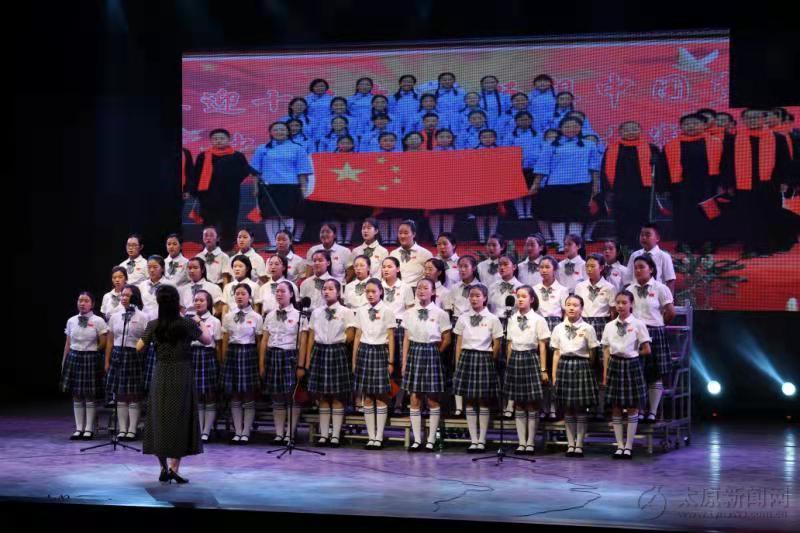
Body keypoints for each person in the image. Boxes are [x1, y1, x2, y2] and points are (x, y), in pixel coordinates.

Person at [137, 285, 210, 483]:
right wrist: (199, 321)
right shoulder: (186, 323)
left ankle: (163, 468)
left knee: (159, 418)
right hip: (181, 373)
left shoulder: (154, 324)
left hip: (161, 372)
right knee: (179, 418)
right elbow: (207, 340)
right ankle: (173, 469)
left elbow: (139, 347)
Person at [401, 278, 453, 451]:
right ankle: (417, 439)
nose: (421, 291)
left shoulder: (440, 313)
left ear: (433, 292)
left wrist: (435, 353)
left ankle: (431, 440)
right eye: (419, 288)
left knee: (432, 399)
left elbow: (447, 338)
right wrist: (404, 361)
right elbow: (406, 338)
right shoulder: (409, 313)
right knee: (414, 398)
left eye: (425, 288)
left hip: (431, 352)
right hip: (415, 352)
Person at [305, 279, 355, 447]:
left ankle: (335, 435)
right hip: (320, 351)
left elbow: (350, 334)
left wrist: (338, 342)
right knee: (323, 395)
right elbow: (311, 335)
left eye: (331, 289)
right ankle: (324, 434)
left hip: (337, 351)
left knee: (337, 395)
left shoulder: (346, 311)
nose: (326, 291)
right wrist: (308, 359)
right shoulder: (316, 312)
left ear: (338, 292)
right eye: (324, 289)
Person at [453, 284, 503, 452]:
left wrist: (490, 359)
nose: (474, 299)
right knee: (469, 400)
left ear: (485, 298)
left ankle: (482, 440)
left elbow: (497, 343)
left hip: (484, 357)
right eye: (471, 296)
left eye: (477, 296)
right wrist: (458, 362)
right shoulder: (463, 317)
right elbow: (459, 343)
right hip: (467, 357)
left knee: (483, 400)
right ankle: (473, 439)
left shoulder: (492, 319)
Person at [189, 129, 257, 250]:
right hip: (208, 195)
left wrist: (231, 180)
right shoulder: (203, 156)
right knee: (209, 221)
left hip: (230, 194)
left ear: (228, 140)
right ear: (211, 141)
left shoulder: (237, 156)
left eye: (221, 138)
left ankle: (227, 246)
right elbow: (196, 175)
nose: (218, 141)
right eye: (215, 139)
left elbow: (244, 172)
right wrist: (195, 192)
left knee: (229, 221)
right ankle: (209, 246)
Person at [627, 254, 675, 424]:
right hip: (634, 334)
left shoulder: (661, 288)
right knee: (638, 373)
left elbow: (670, 312)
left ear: (651, 269)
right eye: (636, 267)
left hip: (655, 332)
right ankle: (639, 410)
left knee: (655, 373)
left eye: (642, 267)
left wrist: (658, 326)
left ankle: (652, 412)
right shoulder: (629, 289)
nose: (638, 270)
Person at [602, 290, 650, 459]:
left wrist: (632, 353)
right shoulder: (609, 326)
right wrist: (605, 374)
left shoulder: (638, 324)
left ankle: (629, 446)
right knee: (615, 407)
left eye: (624, 303)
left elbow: (647, 349)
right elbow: (606, 351)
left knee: (632, 407)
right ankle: (619, 446)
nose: (620, 306)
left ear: (631, 304)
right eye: (618, 302)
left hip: (631, 365)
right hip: (614, 365)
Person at [551, 295, 600, 458]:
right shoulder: (558, 328)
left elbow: (593, 352)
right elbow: (556, 353)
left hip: (582, 366)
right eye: (568, 305)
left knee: (580, 408)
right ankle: (570, 444)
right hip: (564, 365)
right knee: (567, 408)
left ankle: (579, 444)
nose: (571, 308)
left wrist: (587, 368)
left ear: (581, 308)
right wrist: (554, 375)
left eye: (575, 305)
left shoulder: (588, 328)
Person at [250, 122, 313, 250]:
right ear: (271, 132)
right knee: (270, 216)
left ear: (288, 132)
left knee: (288, 215)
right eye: (276, 130)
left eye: (282, 129)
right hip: (268, 187)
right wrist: (255, 187)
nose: (279, 132)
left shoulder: (297, 148)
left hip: (290, 186)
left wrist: (303, 188)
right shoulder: (262, 148)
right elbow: (255, 171)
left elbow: (302, 170)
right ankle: (273, 244)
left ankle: (285, 244)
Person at [503, 285, 550, 455]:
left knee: (531, 403)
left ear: (532, 299)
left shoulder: (538, 319)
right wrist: (509, 364)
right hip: (515, 359)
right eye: (518, 296)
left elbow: (542, 345)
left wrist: (543, 369)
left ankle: (530, 442)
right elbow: (509, 344)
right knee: (519, 404)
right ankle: (521, 442)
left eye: (524, 296)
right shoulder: (511, 318)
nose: (520, 299)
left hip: (531, 358)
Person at [259, 281, 306, 444]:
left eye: (283, 291)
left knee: (291, 395)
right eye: (277, 291)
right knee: (276, 395)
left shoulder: (299, 315)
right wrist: (262, 364)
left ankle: (290, 434)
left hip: (289, 356)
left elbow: (302, 343)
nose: (279, 294)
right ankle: (279, 433)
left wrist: (301, 365)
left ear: (291, 294)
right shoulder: (270, 315)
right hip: (273, 355)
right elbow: (264, 340)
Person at [352, 278, 396, 449]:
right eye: (367, 292)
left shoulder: (387, 311)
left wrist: (391, 361)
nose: (370, 295)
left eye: (373, 291)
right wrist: (354, 360)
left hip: (380, 351)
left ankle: (379, 436)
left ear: (381, 292)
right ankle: (371, 436)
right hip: (365, 351)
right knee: (367, 397)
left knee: (381, 395)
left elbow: (391, 336)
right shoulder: (361, 310)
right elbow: (357, 335)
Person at [61, 292, 109, 440]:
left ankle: (89, 429)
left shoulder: (98, 321)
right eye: (80, 300)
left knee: (89, 395)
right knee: (76, 395)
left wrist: (93, 351)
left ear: (92, 304)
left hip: (90, 357)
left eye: (86, 301)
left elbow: (103, 342)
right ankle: (79, 428)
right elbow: (68, 343)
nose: (82, 303)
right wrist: (64, 361)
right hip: (74, 357)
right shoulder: (71, 321)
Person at [220, 284, 263, 444]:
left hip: (248, 353)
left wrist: (259, 362)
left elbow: (259, 341)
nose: (239, 296)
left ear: (249, 296)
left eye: (243, 293)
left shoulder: (256, 317)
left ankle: (246, 432)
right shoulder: (228, 316)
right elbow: (225, 339)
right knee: (235, 394)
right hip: (232, 353)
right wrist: (223, 359)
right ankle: (237, 431)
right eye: (237, 293)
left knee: (248, 393)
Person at [104, 285, 148, 441]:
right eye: (122, 295)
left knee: (134, 394)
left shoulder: (143, 316)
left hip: (134, 355)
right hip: (118, 354)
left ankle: (132, 429)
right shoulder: (115, 316)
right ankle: (122, 429)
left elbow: (146, 340)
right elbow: (110, 340)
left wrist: (141, 356)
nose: (123, 298)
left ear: (134, 297)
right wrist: (107, 360)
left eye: (127, 295)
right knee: (120, 394)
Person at [187, 290, 223, 442]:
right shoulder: (188, 320)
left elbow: (218, 344)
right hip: (192, 355)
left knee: (209, 395)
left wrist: (219, 362)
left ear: (208, 303)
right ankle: (198, 429)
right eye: (196, 300)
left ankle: (206, 431)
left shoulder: (214, 321)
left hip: (208, 356)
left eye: (201, 300)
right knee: (196, 395)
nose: (198, 303)